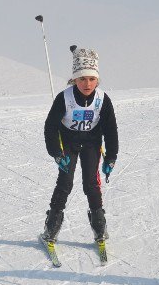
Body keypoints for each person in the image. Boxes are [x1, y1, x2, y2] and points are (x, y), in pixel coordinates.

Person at [42, 47, 119, 243]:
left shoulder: (102, 99)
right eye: (82, 78)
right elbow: (50, 127)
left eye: (92, 79)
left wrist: (111, 157)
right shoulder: (64, 98)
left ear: (97, 80)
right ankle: (52, 227)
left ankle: (99, 227)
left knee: (91, 183)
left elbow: (111, 130)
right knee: (65, 182)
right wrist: (56, 153)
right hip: (68, 142)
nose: (87, 83)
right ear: (75, 79)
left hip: (92, 143)